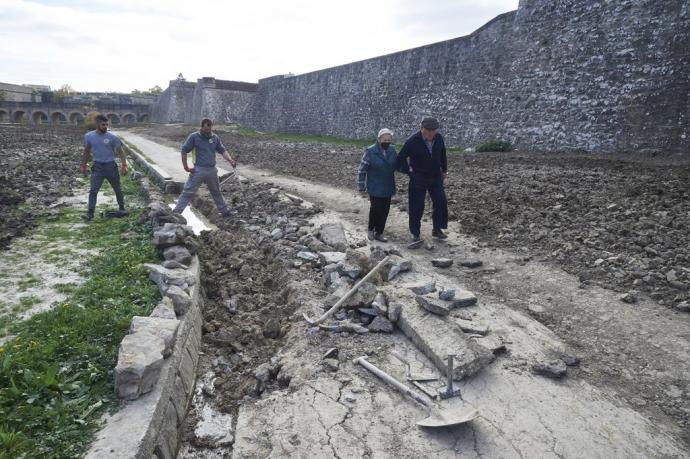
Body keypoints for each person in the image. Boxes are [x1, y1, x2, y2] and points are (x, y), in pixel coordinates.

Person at [397, 117, 449, 247]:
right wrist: (408, 171)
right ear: (422, 129)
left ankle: (437, 229)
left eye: (433, 130)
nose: (431, 133)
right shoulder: (413, 141)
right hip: (418, 177)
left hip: (435, 176)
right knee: (417, 206)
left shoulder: (439, 139)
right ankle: (415, 233)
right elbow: (401, 157)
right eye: (428, 130)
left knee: (441, 201)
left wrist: (444, 170)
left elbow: (443, 154)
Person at [173, 118, 238, 217]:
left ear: (212, 127)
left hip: (211, 170)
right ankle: (176, 213)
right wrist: (186, 166)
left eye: (210, 129)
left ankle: (224, 211)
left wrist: (230, 160)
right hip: (198, 169)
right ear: (202, 127)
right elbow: (184, 150)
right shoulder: (194, 137)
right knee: (188, 191)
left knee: (216, 191)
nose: (208, 131)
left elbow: (222, 150)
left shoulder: (215, 137)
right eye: (206, 129)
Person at [81, 114, 128, 221]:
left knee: (117, 189)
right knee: (93, 190)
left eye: (107, 124)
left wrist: (124, 165)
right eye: (103, 124)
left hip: (111, 167)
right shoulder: (89, 136)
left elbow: (121, 151)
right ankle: (90, 213)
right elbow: (86, 151)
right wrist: (83, 165)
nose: (106, 126)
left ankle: (122, 208)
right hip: (97, 167)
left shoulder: (112, 137)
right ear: (97, 124)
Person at [357, 128, 398, 242]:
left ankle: (379, 233)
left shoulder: (392, 150)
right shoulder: (370, 151)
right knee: (376, 208)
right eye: (385, 139)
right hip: (374, 186)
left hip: (388, 186)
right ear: (379, 139)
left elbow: (397, 165)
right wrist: (361, 187)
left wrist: (410, 170)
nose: (387, 141)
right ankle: (371, 229)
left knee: (385, 210)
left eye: (389, 139)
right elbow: (362, 170)